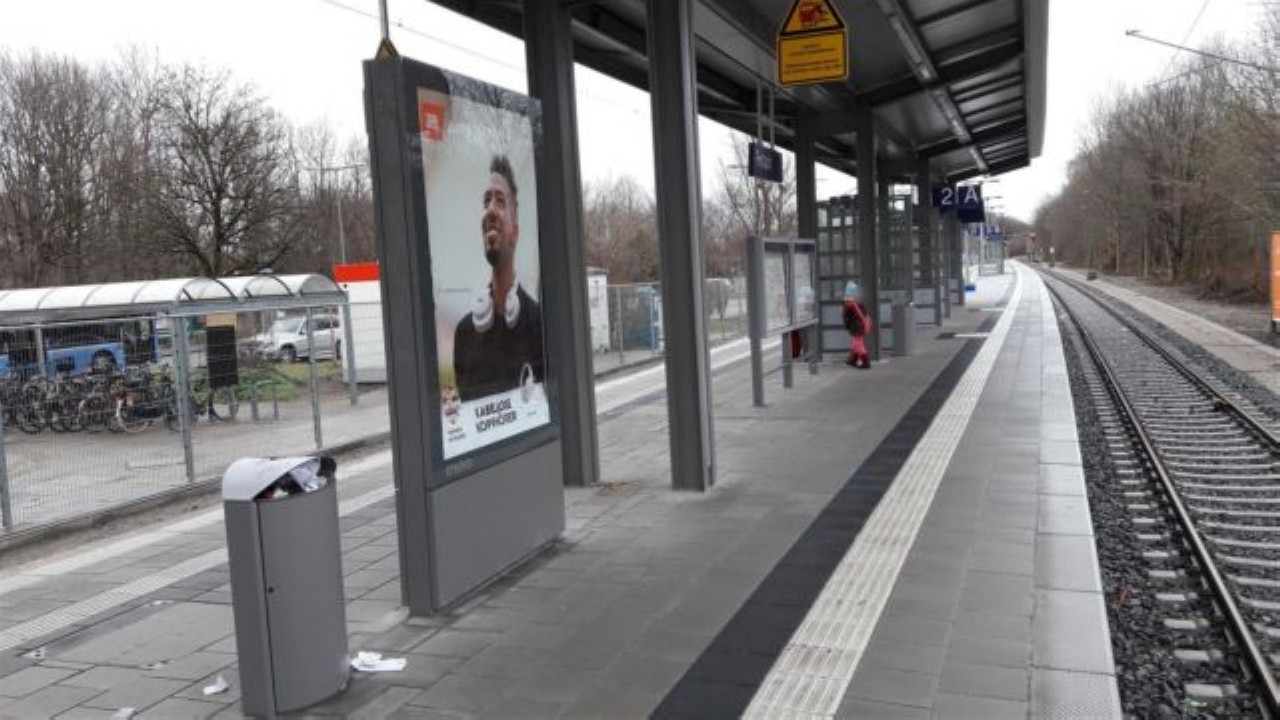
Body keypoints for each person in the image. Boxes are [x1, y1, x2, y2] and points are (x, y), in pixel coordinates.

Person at [453, 154, 544, 402]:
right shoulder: (464, 333)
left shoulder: (538, 325)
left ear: (515, 232)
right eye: (486, 201)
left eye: (500, 201)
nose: (490, 209)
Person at [842, 281, 872, 370]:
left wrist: (847, 325)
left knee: (858, 343)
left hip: (856, 326)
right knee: (856, 343)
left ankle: (866, 362)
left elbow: (846, 316)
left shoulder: (849, 304)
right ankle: (854, 360)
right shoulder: (859, 302)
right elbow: (865, 314)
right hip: (860, 325)